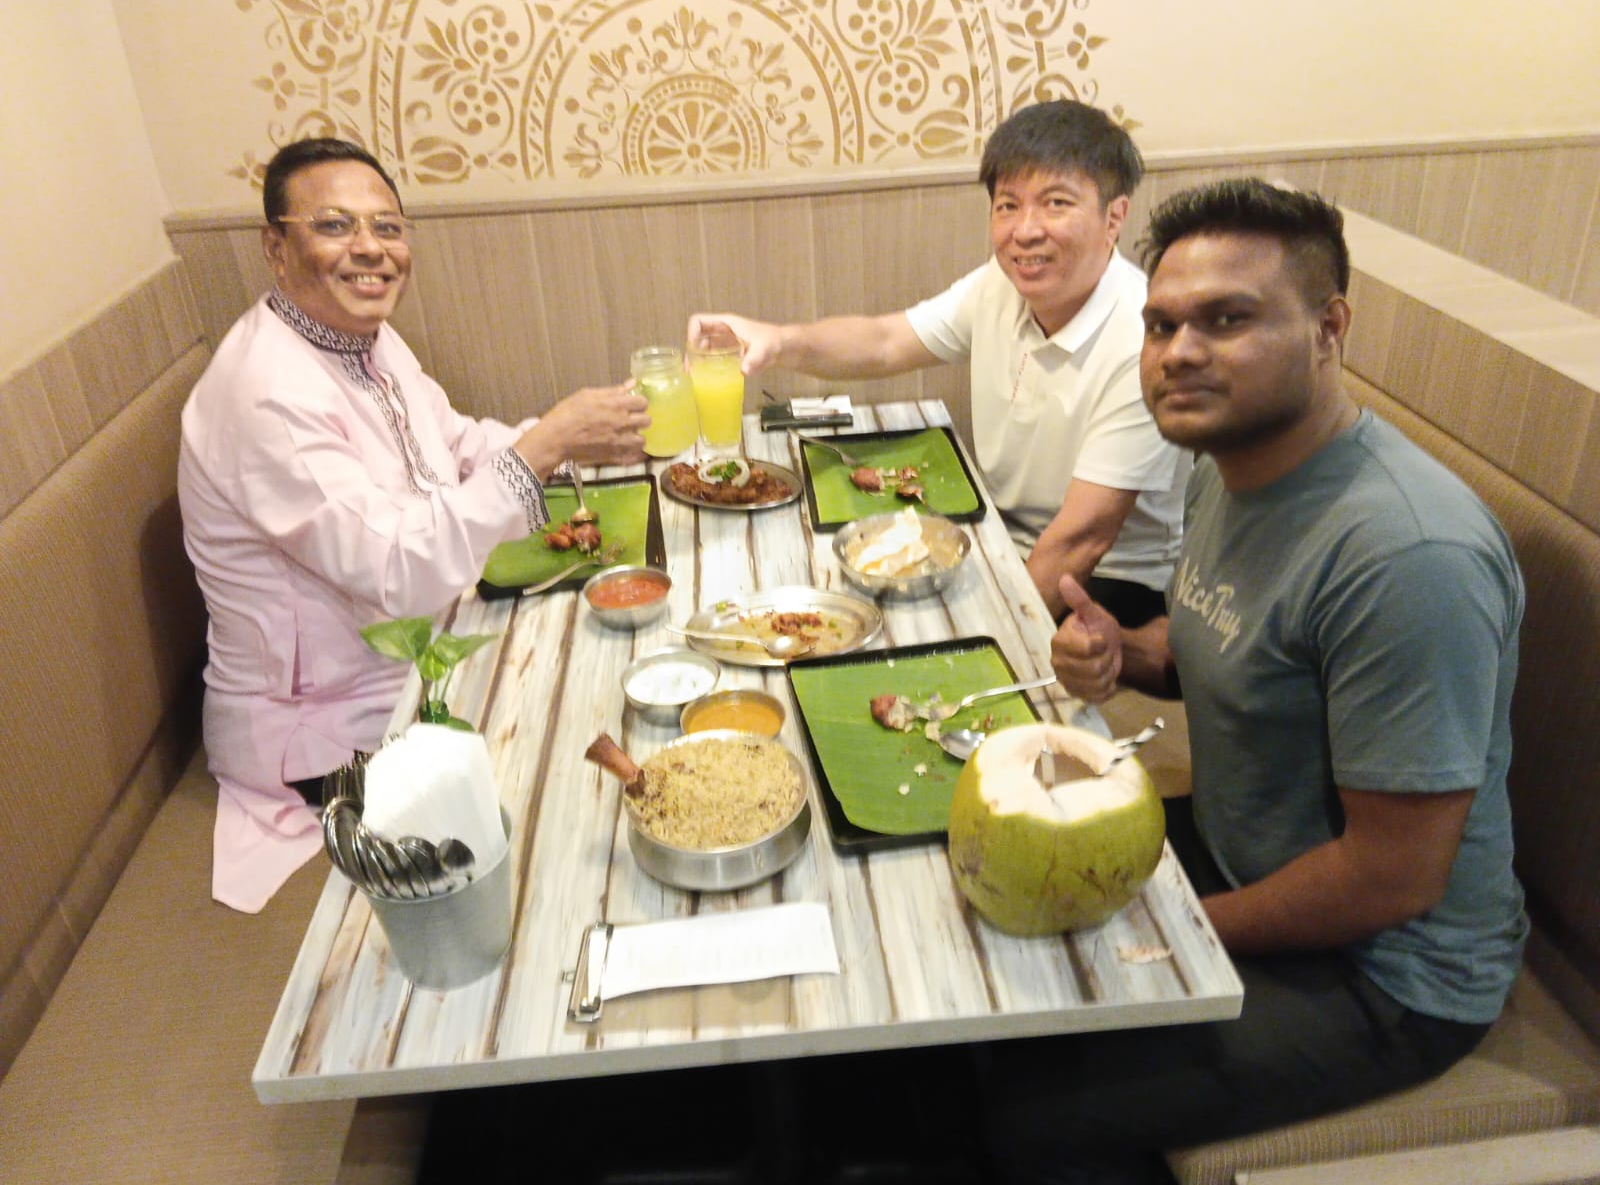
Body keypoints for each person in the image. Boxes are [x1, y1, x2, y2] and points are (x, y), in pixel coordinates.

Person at [979, 178, 1528, 1184]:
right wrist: (1122, 652)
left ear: (1328, 330)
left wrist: (1155, 925)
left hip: (1386, 976)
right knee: (974, 943)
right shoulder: (1224, 467)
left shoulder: (1406, 557)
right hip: (1237, 857)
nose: (1179, 352)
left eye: (1227, 320)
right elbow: (1227, 648)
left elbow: (1393, 877)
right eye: (1161, 325)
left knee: (1015, 1104)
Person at [179, 137, 649, 912]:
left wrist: (564, 443)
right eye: (335, 225)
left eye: (388, 227)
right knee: (572, 788)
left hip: (421, 661)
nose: (370, 248)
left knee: (619, 669)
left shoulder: (364, 339)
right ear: (276, 247)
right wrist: (545, 445)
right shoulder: (264, 394)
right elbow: (398, 573)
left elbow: (454, 446)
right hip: (333, 733)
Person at [688, 100, 1187, 628]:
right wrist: (779, 341)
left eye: (1056, 203)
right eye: (1008, 205)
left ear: (1114, 216)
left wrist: (993, 638)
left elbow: (1080, 541)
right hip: (999, 537)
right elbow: (885, 341)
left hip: (1110, 581)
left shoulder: (1142, 340)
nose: (1025, 231)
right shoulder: (1001, 286)